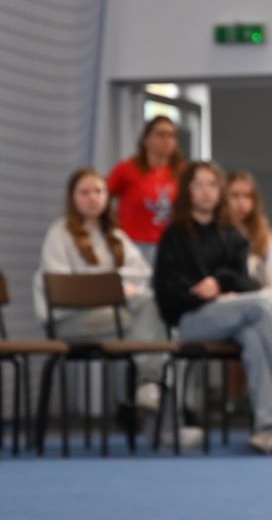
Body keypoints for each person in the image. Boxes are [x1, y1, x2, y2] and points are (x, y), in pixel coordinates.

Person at [154, 162, 272, 453]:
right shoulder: (174, 235)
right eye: (198, 185)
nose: (206, 192)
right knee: (263, 306)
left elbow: (245, 281)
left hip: (233, 317)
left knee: (254, 336)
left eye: (212, 184)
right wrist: (203, 295)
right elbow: (166, 291)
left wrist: (219, 283)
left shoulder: (231, 235)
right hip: (190, 319)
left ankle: (267, 427)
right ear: (187, 191)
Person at [34, 167, 170, 409]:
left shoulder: (115, 236)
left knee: (151, 306)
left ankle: (149, 390)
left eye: (98, 191)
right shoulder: (59, 233)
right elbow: (61, 287)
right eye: (84, 192)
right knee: (153, 328)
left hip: (115, 316)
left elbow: (142, 273)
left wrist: (115, 286)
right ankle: (150, 386)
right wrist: (113, 288)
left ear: (107, 196)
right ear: (72, 197)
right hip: (69, 320)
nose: (92, 197)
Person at [107, 115, 186, 260]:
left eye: (171, 135)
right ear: (146, 139)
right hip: (133, 244)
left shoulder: (181, 172)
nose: (166, 140)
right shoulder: (126, 169)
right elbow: (103, 197)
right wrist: (110, 225)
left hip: (170, 245)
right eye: (160, 134)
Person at [225, 171, 272, 305]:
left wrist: (259, 298)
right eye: (234, 195)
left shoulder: (262, 236)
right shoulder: (215, 234)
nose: (241, 202)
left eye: (247, 196)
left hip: (256, 302)